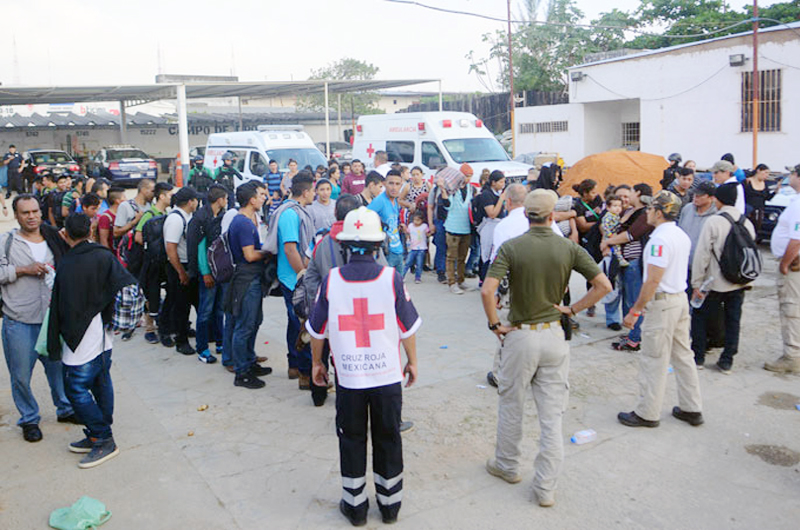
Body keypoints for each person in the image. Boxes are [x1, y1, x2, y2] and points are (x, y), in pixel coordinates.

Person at [481, 189, 611, 508]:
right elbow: (604, 286)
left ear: (525, 214)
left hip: (521, 335)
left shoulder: (512, 247)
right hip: (554, 334)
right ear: (554, 215)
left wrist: (495, 324)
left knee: (512, 404)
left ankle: (508, 466)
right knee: (552, 415)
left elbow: (487, 290)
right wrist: (573, 309)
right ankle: (546, 487)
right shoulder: (568, 247)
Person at [307, 206, 420, 526]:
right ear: (377, 245)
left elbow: (316, 330)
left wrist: (317, 363)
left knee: (352, 438)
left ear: (345, 245)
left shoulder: (331, 281)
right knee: (389, 437)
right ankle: (389, 507)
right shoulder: (391, 278)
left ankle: (355, 508)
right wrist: (411, 362)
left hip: (349, 379)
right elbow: (406, 327)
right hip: (386, 377)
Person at [46, 213, 139, 468]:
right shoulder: (104, 255)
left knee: (75, 387)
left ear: (65, 234)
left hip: (83, 336)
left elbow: (63, 305)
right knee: (100, 380)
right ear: (91, 230)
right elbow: (126, 284)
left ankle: (102, 437)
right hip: (103, 333)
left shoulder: (67, 263)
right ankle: (97, 432)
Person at [617, 191, 704, 429]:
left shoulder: (659, 240)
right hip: (678, 299)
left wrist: (635, 310)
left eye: (650, 209)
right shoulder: (680, 235)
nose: (646, 212)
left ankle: (647, 412)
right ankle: (691, 406)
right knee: (683, 355)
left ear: (659, 212)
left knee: (654, 358)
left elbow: (653, 280)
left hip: (663, 303)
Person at [0, 195, 76, 443]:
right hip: (19, 320)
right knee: (21, 375)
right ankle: (29, 418)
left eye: (35, 211)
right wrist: (23, 270)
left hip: (51, 320)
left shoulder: (54, 238)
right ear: (16, 215)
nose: (31, 216)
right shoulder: (7, 242)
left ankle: (65, 409)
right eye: (25, 213)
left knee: (58, 370)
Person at [689, 183, 755, 373]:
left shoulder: (714, 221)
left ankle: (698, 356)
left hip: (714, 282)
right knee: (733, 319)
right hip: (739, 280)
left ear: (717, 199)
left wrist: (696, 283)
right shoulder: (746, 221)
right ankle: (727, 360)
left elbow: (702, 255)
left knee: (700, 317)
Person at [225, 183, 274, 388]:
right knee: (245, 325)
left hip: (253, 278)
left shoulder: (248, 220)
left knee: (254, 322)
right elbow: (250, 255)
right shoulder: (243, 223)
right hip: (247, 279)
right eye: (260, 196)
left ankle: (250, 360)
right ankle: (242, 372)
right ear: (251, 200)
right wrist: (269, 252)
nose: (264, 198)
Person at [270, 172, 316, 388]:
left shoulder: (297, 211)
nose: (315, 194)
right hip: (293, 278)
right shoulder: (290, 214)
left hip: (294, 277)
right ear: (305, 192)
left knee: (293, 323)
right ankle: (304, 373)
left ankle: (294, 365)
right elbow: (290, 249)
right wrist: (302, 275)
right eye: (313, 190)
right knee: (303, 326)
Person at [601, 184, 653, 347]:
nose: (627, 196)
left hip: (633, 261)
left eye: (630, 192)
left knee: (633, 300)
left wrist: (608, 241)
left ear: (638, 193)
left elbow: (630, 235)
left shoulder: (644, 213)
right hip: (623, 260)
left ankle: (635, 338)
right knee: (626, 298)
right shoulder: (629, 211)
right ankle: (630, 333)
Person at [764, 164, 800, 374]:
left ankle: (792, 355)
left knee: (791, 309)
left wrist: (785, 263)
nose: (790, 178)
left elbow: (796, 239)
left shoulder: (798, 206)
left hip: (794, 265)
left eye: (793, 174)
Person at [187, 184, 228, 364]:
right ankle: (202, 348)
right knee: (205, 311)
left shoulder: (219, 216)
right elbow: (200, 248)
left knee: (219, 309)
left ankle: (220, 342)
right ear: (219, 200)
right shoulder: (201, 219)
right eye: (225, 198)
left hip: (219, 272)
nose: (227, 202)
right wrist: (205, 273)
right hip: (208, 273)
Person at [136, 182, 175, 346]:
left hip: (162, 262)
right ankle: (150, 329)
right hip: (151, 262)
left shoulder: (166, 213)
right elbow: (138, 237)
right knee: (151, 295)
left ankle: (164, 322)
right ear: (162, 196)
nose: (172, 198)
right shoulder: (149, 214)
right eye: (170, 195)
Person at [163, 187, 199, 356]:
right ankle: (181, 340)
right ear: (190, 201)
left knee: (189, 301)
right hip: (178, 266)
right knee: (181, 305)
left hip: (187, 265)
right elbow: (171, 248)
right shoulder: (176, 219)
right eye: (196, 200)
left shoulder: (187, 216)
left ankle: (185, 328)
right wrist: (181, 272)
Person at [442, 173, 473, 294]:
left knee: (462, 257)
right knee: (451, 257)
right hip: (453, 227)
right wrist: (443, 190)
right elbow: (447, 206)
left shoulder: (471, 188)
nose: (467, 178)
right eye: (465, 175)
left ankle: (461, 280)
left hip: (466, 228)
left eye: (470, 175)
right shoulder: (453, 189)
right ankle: (452, 282)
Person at [474, 171, 507, 281]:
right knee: (486, 252)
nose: (503, 184)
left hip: (498, 225)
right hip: (488, 225)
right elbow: (492, 214)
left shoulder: (497, 193)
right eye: (501, 182)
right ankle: (483, 278)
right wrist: (501, 199)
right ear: (493, 182)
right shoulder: (487, 194)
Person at [368, 169, 405, 271]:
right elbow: (365, 218)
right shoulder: (379, 201)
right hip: (386, 252)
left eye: (397, 184)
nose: (394, 187)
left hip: (398, 250)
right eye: (391, 183)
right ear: (384, 184)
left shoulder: (395, 200)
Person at [678, 181, 719, 269]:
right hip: (683, 263)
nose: (695, 197)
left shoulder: (717, 216)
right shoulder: (687, 209)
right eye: (695, 194)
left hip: (704, 266)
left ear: (711, 198)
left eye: (700, 195)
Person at [744, 163, 779, 236]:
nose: (767, 175)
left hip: (760, 211)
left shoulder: (764, 184)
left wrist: (775, 191)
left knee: (756, 231)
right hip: (749, 211)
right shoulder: (747, 182)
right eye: (765, 172)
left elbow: (767, 198)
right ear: (758, 171)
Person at [428, 174, 449, 284]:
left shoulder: (451, 189)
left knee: (450, 248)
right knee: (441, 247)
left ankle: (449, 270)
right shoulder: (434, 190)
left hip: (451, 222)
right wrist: (431, 223)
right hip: (439, 221)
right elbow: (430, 207)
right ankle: (440, 271)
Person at [600, 195, 628, 267]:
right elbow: (605, 226)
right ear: (608, 207)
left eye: (619, 206)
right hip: (610, 235)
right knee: (616, 247)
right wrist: (610, 234)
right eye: (615, 206)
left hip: (614, 234)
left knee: (617, 247)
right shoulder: (608, 216)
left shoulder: (616, 216)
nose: (618, 208)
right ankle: (620, 260)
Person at [403, 210, 429, 283]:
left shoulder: (424, 226)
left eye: (418, 220)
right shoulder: (411, 226)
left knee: (419, 264)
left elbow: (427, 234)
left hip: (421, 248)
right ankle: (402, 276)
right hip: (412, 248)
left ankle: (418, 277)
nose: (415, 222)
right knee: (407, 262)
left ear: (422, 220)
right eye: (414, 220)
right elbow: (407, 232)